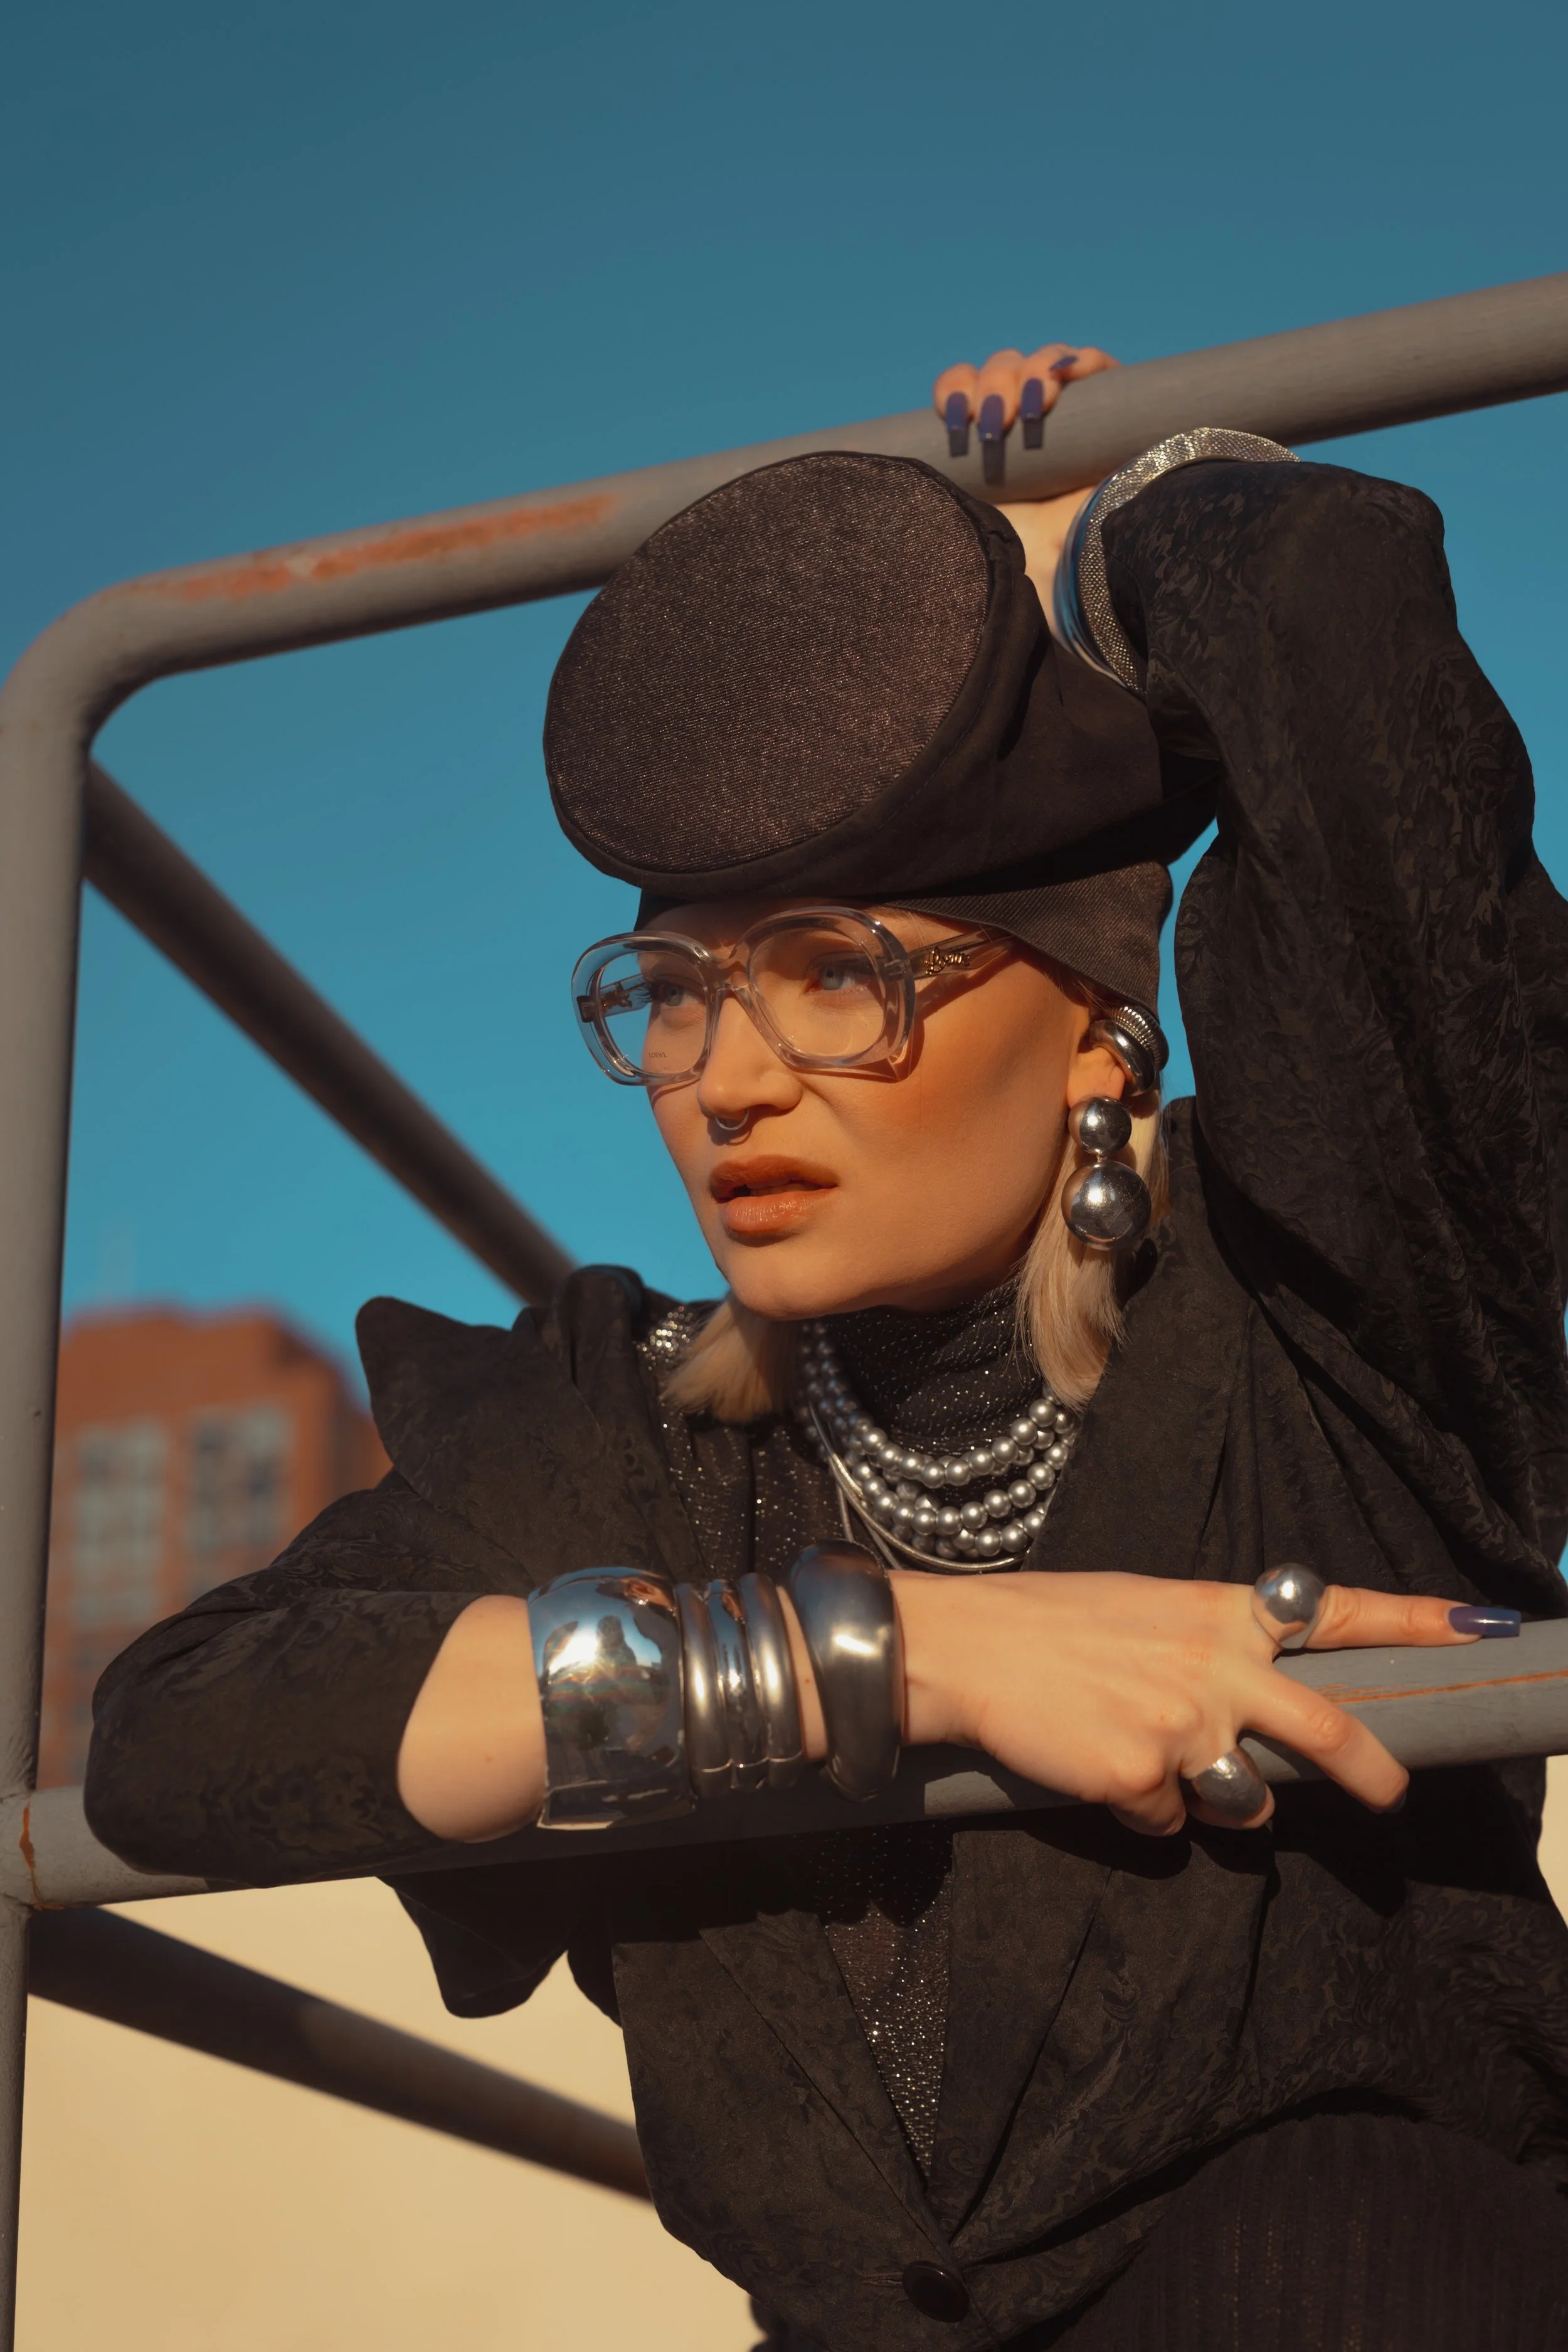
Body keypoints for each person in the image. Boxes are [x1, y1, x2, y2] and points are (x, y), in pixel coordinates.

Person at [85, 336, 1568, 2351]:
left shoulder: (1327, 1297)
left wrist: (1102, 540)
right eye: (672, 989)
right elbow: (181, 1735)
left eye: (832, 974)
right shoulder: (620, 1422)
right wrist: (882, 1657)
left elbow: (1332, 643)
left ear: (1094, 1030)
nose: (724, 1078)